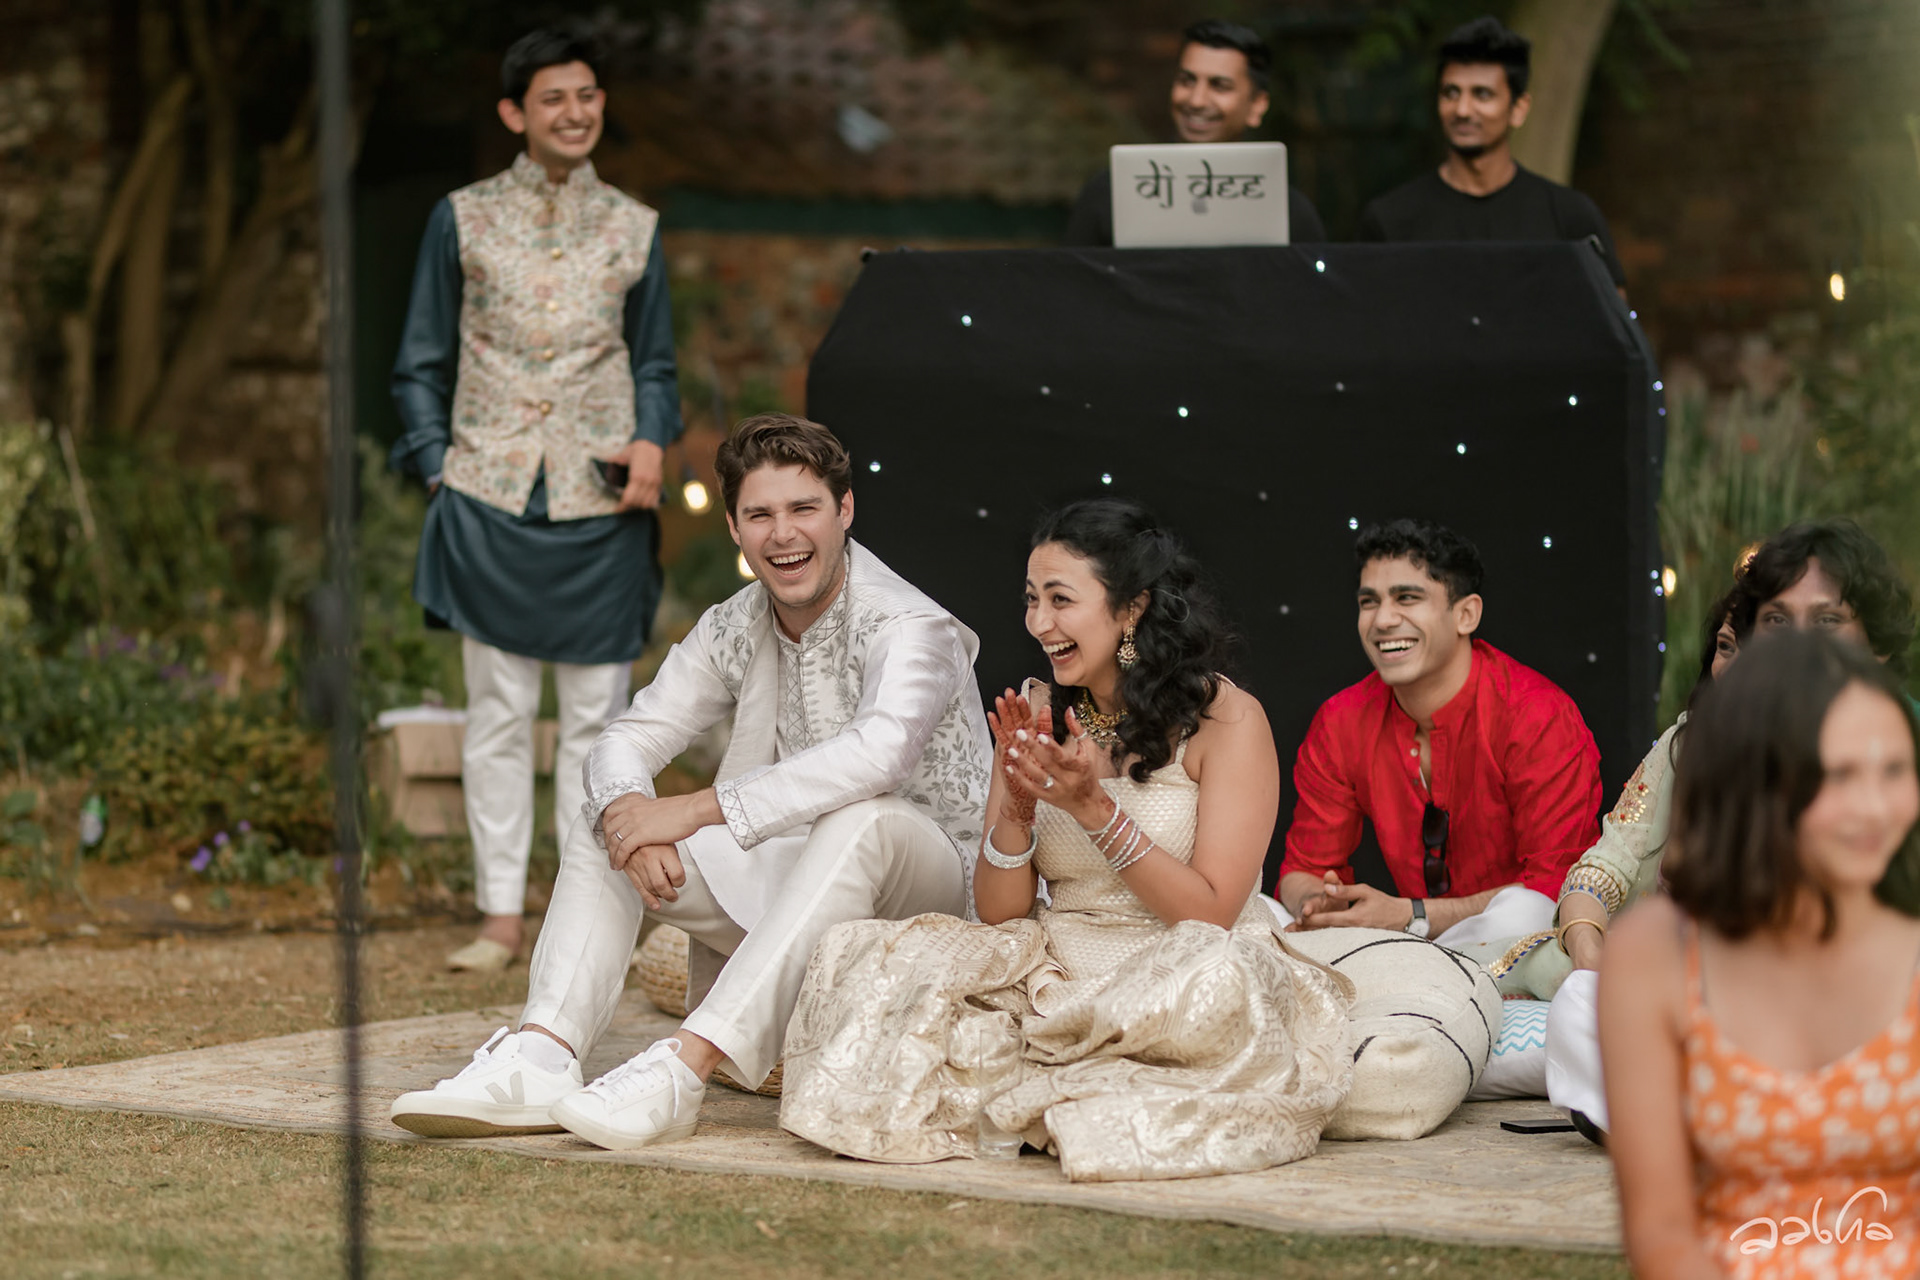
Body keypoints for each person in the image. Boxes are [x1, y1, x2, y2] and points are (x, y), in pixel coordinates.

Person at [389, 414, 991, 1149]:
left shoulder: (909, 624)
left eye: (804, 508)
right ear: (734, 528)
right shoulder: (736, 622)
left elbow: (880, 757)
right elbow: (628, 737)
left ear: (845, 510)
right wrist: (631, 816)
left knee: (862, 818)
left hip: (935, 896)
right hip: (799, 880)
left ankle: (682, 1069)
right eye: (759, 515)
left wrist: (696, 810)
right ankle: (542, 1056)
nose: (783, 534)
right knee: (608, 815)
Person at [778, 499, 1353, 1182]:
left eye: (1060, 599)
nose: (1038, 623)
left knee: (1219, 985)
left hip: (1185, 963)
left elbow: (1210, 915)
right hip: (1058, 962)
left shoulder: (1225, 720)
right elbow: (1002, 914)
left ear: (1132, 608)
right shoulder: (1041, 712)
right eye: (1031, 600)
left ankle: (1042, 1090)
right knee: (874, 950)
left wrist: (1094, 811)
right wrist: (1018, 810)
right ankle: (1053, 1084)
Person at [388, 29, 684, 972]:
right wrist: (437, 464)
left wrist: (652, 438)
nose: (575, 112)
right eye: (555, 98)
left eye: (588, 95)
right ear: (516, 112)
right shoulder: (463, 217)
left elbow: (657, 362)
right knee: (499, 713)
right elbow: (419, 359)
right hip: (488, 491)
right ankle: (498, 918)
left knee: (600, 721)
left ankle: (581, 916)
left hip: (602, 501)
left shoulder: (634, 226)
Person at [1601, 630, 1920, 1278]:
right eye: (1839, 774)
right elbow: (1661, 1235)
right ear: (1757, 782)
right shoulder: (1656, 954)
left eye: (1895, 771)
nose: (1876, 808)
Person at [1273, 519, 1602, 947]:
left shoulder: (1537, 715)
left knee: (1524, 910)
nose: (1382, 620)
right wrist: (1319, 906)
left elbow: (1557, 888)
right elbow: (1302, 870)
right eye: (1369, 602)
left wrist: (1413, 917)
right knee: (1261, 912)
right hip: (1403, 947)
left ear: (1466, 615)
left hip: (1518, 947)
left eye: (1407, 598)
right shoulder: (1341, 720)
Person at [1358, 16, 1627, 294]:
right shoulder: (1392, 220)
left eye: (1482, 94)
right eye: (1451, 93)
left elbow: (1615, 317)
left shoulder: (1569, 217)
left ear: (1518, 109)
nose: (1462, 110)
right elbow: (1364, 316)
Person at [1064, 19, 1327, 247]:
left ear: (1257, 105)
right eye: (1186, 81)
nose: (1196, 100)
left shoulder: (1288, 213)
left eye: (1219, 86)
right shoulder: (1110, 195)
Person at [1732, 517, 1917, 705]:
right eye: (1777, 620)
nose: (1798, 641)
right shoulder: (1727, 720)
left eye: (1827, 620)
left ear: (1877, 644)